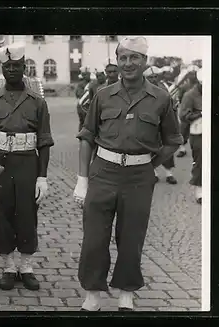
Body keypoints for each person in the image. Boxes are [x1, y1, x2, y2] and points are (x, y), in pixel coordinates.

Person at [73, 37, 183, 311]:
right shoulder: (103, 95)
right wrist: (82, 180)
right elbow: (87, 136)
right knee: (95, 237)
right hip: (103, 173)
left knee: (132, 236)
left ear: (145, 61)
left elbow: (172, 140)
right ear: (117, 61)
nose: (128, 63)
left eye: (135, 58)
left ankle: (126, 290)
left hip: (138, 177)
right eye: (123, 58)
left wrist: (150, 164)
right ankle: (93, 293)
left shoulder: (160, 98)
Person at [0, 42, 54, 291]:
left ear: (24, 67)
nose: (12, 70)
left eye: (17, 65)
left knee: (27, 213)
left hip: (27, 165)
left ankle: (26, 265)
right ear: (2, 68)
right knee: (2, 213)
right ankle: (9, 266)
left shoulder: (37, 103)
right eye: (7, 66)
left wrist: (42, 177)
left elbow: (43, 142)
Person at [144, 66, 178, 184]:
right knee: (150, 148)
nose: (153, 79)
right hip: (148, 123)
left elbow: (171, 104)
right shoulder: (142, 89)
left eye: (155, 77)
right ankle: (153, 173)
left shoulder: (163, 88)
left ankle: (169, 174)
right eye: (150, 77)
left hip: (163, 122)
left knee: (166, 147)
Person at [180, 69, 203, 204]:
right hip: (197, 132)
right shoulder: (190, 95)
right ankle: (199, 190)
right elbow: (183, 115)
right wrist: (200, 113)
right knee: (200, 160)